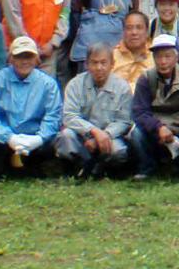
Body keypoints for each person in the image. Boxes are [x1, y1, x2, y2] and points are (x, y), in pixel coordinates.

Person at [0, 37, 64, 178]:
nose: (24, 61)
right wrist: (8, 137)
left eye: (29, 56)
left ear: (36, 59)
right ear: (10, 59)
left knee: (57, 139)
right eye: (19, 56)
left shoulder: (48, 84)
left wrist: (39, 139)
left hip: (35, 140)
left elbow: (53, 116)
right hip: (1, 139)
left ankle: (39, 169)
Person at [56, 42, 135, 178]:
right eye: (94, 63)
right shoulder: (75, 84)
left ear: (112, 64)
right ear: (86, 64)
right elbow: (69, 116)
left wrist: (105, 134)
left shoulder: (122, 87)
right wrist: (92, 132)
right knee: (65, 137)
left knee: (119, 152)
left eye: (104, 63)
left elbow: (124, 121)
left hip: (109, 137)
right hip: (81, 136)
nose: (99, 68)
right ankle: (80, 166)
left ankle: (99, 168)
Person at [131, 34, 179, 179]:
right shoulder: (146, 78)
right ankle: (147, 168)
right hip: (156, 128)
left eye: (167, 56)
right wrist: (158, 127)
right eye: (158, 57)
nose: (163, 61)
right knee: (136, 134)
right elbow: (140, 112)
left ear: (176, 58)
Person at [110, 10, 155, 86]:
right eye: (129, 28)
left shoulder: (156, 55)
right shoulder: (111, 56)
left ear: (147, 32)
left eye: (139, 27)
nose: (134, 32)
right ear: (123, 31)